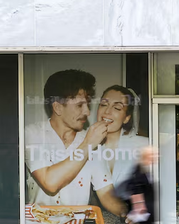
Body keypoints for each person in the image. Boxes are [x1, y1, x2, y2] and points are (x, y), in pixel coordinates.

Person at [25, 69, 124, 216]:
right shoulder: (32, 133)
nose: (87, 112)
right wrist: (88, 144)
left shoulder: (91, 140)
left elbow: (106, 192)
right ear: (58, 107)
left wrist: (129, 212)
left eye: (87, 105)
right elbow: (50, 183)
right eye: (79, 105)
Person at [96, 85, 148, 191]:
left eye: (117, 108)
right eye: (103, 105)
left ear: (126, 118)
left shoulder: (143, 146)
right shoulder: (84, 144)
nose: (107, 111)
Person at [128, 146, 161, 224]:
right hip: (143, 212)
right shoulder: (140, 170)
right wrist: (139, 208)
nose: (155, 157)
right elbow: (135, 189)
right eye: (153, 155)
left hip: (146, 211)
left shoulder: (145, 169)